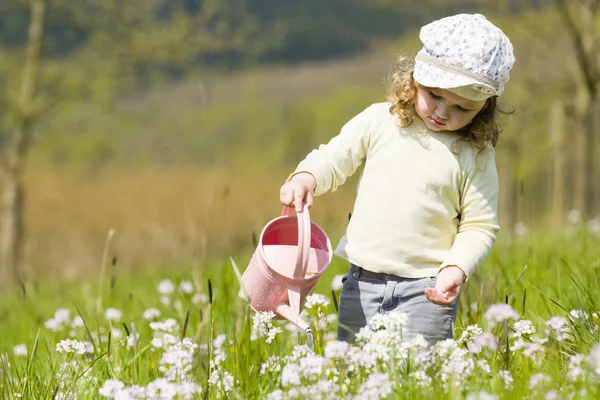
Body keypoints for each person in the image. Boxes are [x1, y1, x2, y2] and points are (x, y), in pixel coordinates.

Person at [279, 13, 515, 344]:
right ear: (414, 79)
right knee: (356, 375)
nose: (443, 112)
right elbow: (335, 158)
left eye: (462, 108)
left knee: (417, 379)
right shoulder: (381, 121)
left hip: (427, 289)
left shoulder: (475, 154)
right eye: (434, 95)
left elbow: (480, 225)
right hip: (362, 284)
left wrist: (456, 268)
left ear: (484, 108)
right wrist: (306, 177)